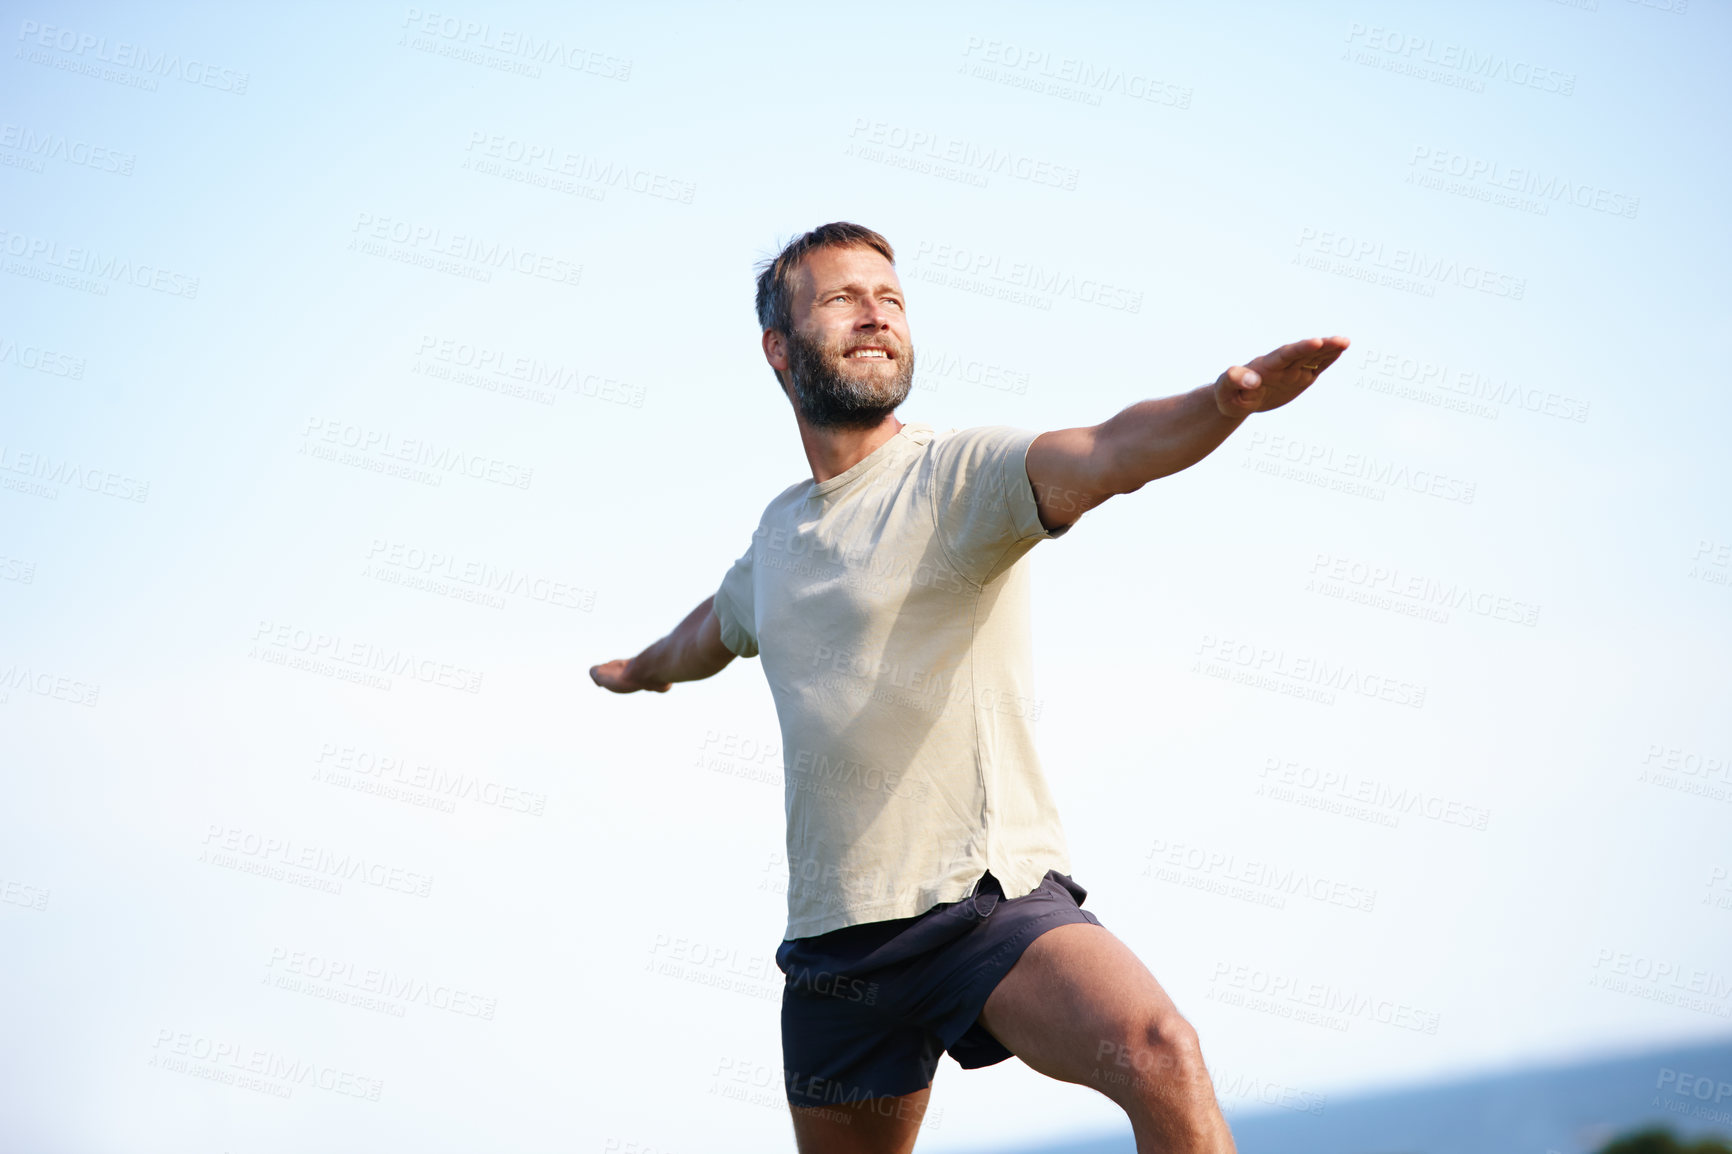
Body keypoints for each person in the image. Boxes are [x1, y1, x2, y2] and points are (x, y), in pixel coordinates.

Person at [590, 221, 1349, 1154]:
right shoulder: (779, 533)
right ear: (778, 350)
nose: (876, 312)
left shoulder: (959, 473)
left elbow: (1107, 452)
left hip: (984, 907)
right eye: (842, 298)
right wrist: (641, 673)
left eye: (892, 299)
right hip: (836, 950)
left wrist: (1220, 405)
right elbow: (712, 628)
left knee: (1159, 1051)